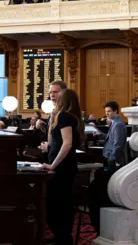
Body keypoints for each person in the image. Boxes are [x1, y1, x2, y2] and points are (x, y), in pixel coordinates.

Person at [42, 89, 83, 245]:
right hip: (62, 166)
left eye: (57, 95)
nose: (53, 97)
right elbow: (52, 142)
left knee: (57, 206)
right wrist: (52, 119)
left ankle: (64, 238)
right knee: (58, 205)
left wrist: (53, 165)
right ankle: (62, 237)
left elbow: (67, 143)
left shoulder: (66, 117)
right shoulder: (62, 117)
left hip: (62, 168)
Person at [93, 101, 128, 170]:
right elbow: (111, 138)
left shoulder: (118, 124)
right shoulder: (114, 122)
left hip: (114, 160)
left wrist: (111, 159)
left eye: (109, 111)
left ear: (115, 111)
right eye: (106, 111)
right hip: (109, 157)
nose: (106, 114)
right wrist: (100, 134)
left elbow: (118, 144)